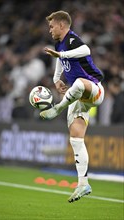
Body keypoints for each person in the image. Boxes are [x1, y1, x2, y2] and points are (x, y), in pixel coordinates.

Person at [40, 11, 105, 203]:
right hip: (78, 100)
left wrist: (60, 54)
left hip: (94, 91)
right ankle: (83, 183)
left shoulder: (72, 39)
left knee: (77, 83)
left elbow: (86, 50)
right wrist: (56, 79)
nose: (49, 29)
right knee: (76, 139)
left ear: (62, 25)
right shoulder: (59, 44)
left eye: (52, 26)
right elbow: (61, 61)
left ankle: (57, 109)